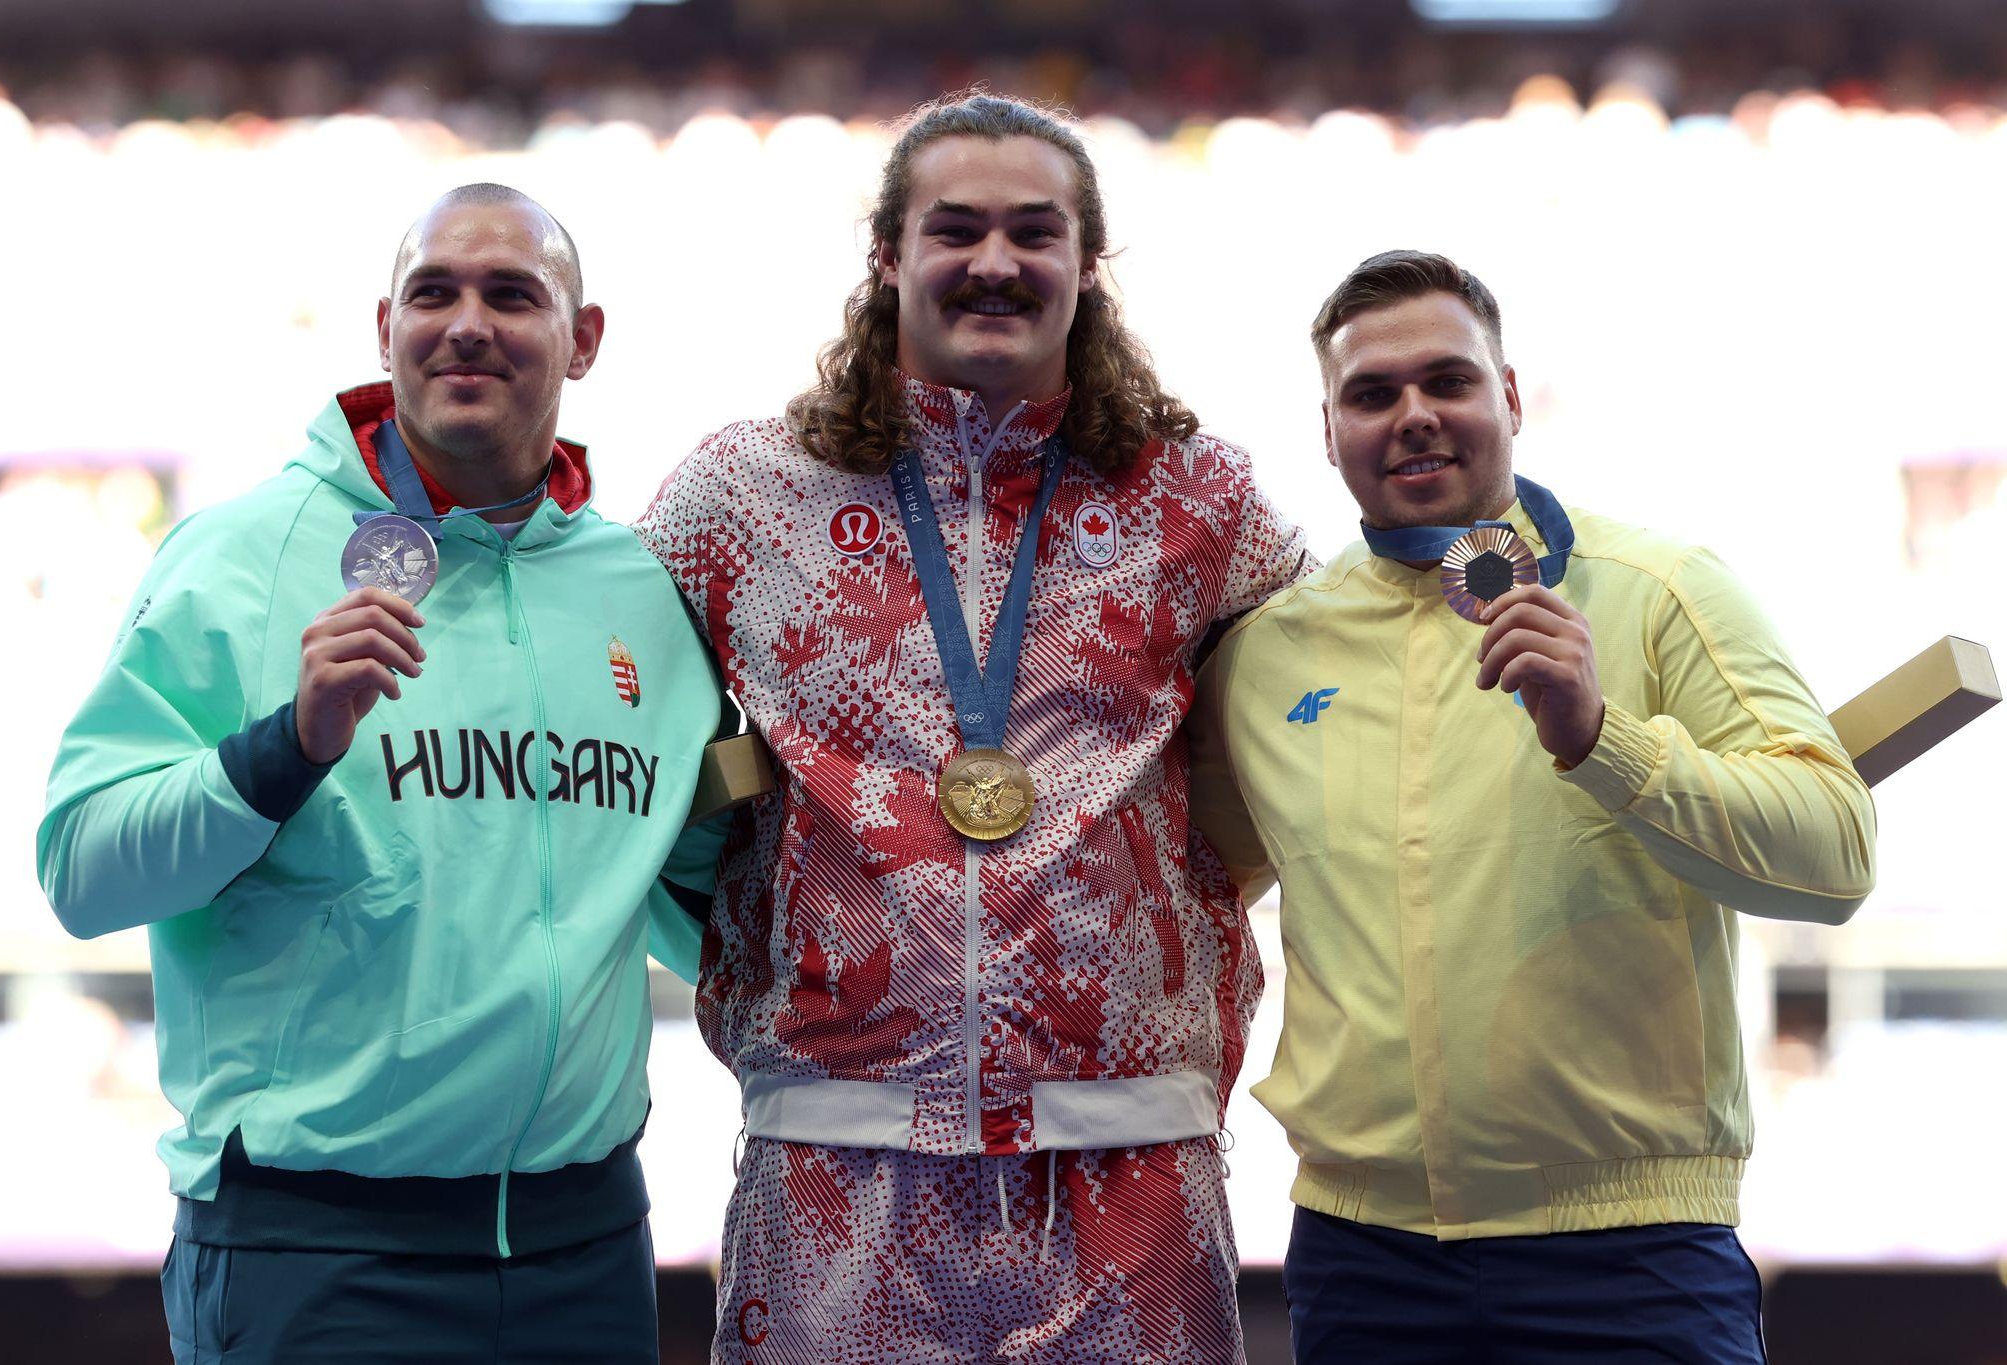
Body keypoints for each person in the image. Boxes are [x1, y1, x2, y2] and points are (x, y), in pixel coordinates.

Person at [635, 93, 1309, 1362]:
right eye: (954, 229)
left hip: (1131, 1152)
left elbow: (1348, 699)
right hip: (835, 1151)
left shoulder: (1200, 498)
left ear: (1085, 267)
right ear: (886, 254)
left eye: (1032, 232)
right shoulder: (741, 494)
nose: (993, 263)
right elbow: (596, 693)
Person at [37, 183, 728, 1364]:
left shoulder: (640, 592)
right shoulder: (241, 559)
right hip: (317, 1254)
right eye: (433, 293)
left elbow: (697, 897)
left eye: (512, 295)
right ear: (383, 327)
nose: (467, 323)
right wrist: (283, 749)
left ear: (584, 338)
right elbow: (83, 871)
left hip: (587, 1246)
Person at [1189, 249, 1878, 1361]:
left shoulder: (1659, 591)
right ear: (1327, 432)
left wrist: (1603, 741)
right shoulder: (1270, 654)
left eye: (1446, 382)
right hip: (1362, 1259)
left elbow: (1832, 856)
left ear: (1506, 397)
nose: (1412, 416)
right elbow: (1191, 876)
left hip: (1629, 1252)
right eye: (1371, 394)